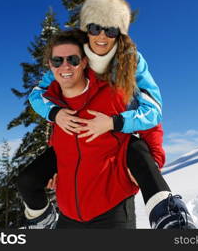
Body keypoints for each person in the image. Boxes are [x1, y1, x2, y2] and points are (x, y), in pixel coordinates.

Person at [19, 0, 195, 229]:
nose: (101, 36)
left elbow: (152, 112)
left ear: (119, 34)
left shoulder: (130, 63)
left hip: (112, 183)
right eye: (94, 28)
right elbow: (41, 94)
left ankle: (170, 219)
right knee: (27, 179)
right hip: (72, 198)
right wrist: (55, 115)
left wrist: (115, 124)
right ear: (86, 30)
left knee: (136, 149)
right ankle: (42, 220)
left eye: (110, 30)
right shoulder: (71, 59)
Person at [21, 30, 139, 228]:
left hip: (112, 209)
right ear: (50, 65)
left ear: (84, 61)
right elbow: (57, 129)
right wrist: (57, 161)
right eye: (57, 61)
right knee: (26, 180)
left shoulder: (115, 89)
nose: (64, 66)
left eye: (73, 59)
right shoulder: (58, 93)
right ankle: (44, 221)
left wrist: (149, 162)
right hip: (69, 213)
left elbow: (148, 122)